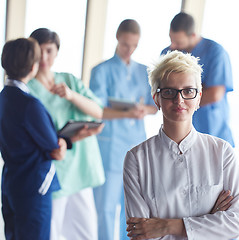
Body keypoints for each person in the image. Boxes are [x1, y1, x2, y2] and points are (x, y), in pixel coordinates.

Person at [123, 50, 239, 240]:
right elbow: (142, 235)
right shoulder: (137, 159)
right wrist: (209, 220)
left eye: (188, 91)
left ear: (198, 98)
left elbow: (234, 223)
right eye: (169, 92)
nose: (179, 100)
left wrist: (167, 226)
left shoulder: (222, 153)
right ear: (156, 99)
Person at [28, 28, 105, 240]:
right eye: (39, 51)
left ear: (57, 52)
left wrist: (71, 96)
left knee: (86, 233)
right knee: (52, 232)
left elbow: (98, 111)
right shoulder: (30, 89)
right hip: (55, 170)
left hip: (80, 167)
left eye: (49, 51)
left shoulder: (69, 81)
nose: (44, 57)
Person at [89, 19, 158, 240]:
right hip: (110, 147)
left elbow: (154, 106)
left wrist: (141, 110)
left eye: (134, 45)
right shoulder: (101, 71)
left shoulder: (143, 72)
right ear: (118, 38)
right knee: (105, 208)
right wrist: (127, 113)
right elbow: (97, 110)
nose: (130, 49)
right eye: (126, 44)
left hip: (136, 146)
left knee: (132, 208)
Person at [0, 38, 69, 239]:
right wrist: (63, 143)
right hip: (34, 188)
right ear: (33, 67)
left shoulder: (3, 98)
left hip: (11, 183)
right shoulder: (29, 104)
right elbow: (54, 149)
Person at [161, 12, 235, 147]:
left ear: (193, 36)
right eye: (171, 40)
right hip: (178, 136)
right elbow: (162, 90)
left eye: (178, 42)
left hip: (212, 130)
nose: (173, 46)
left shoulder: (215, 52)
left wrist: (179, 101)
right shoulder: (168, 53)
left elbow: (214, 94)